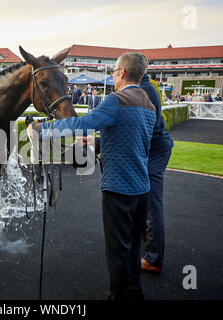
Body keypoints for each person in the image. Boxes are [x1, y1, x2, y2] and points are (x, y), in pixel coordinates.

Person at [29, 52, 156, 301]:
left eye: (113, 72)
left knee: (117, 252)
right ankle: (135, 293)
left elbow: (81, 124)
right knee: (131, 249)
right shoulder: (148, 103)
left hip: (118, 190)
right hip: (142, 190)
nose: (112, 76)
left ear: (121, 72)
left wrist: (42, 128)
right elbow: (132, 140)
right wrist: (98, 142)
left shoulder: (116, 100)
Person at [139, 74, 174, 274]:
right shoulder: (147, 87)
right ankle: (145, 233)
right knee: (144, 196)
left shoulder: (143, 90)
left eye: (116, 71)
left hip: (155, 150)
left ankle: (154, 258)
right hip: (155, 148)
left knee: (153, 203)